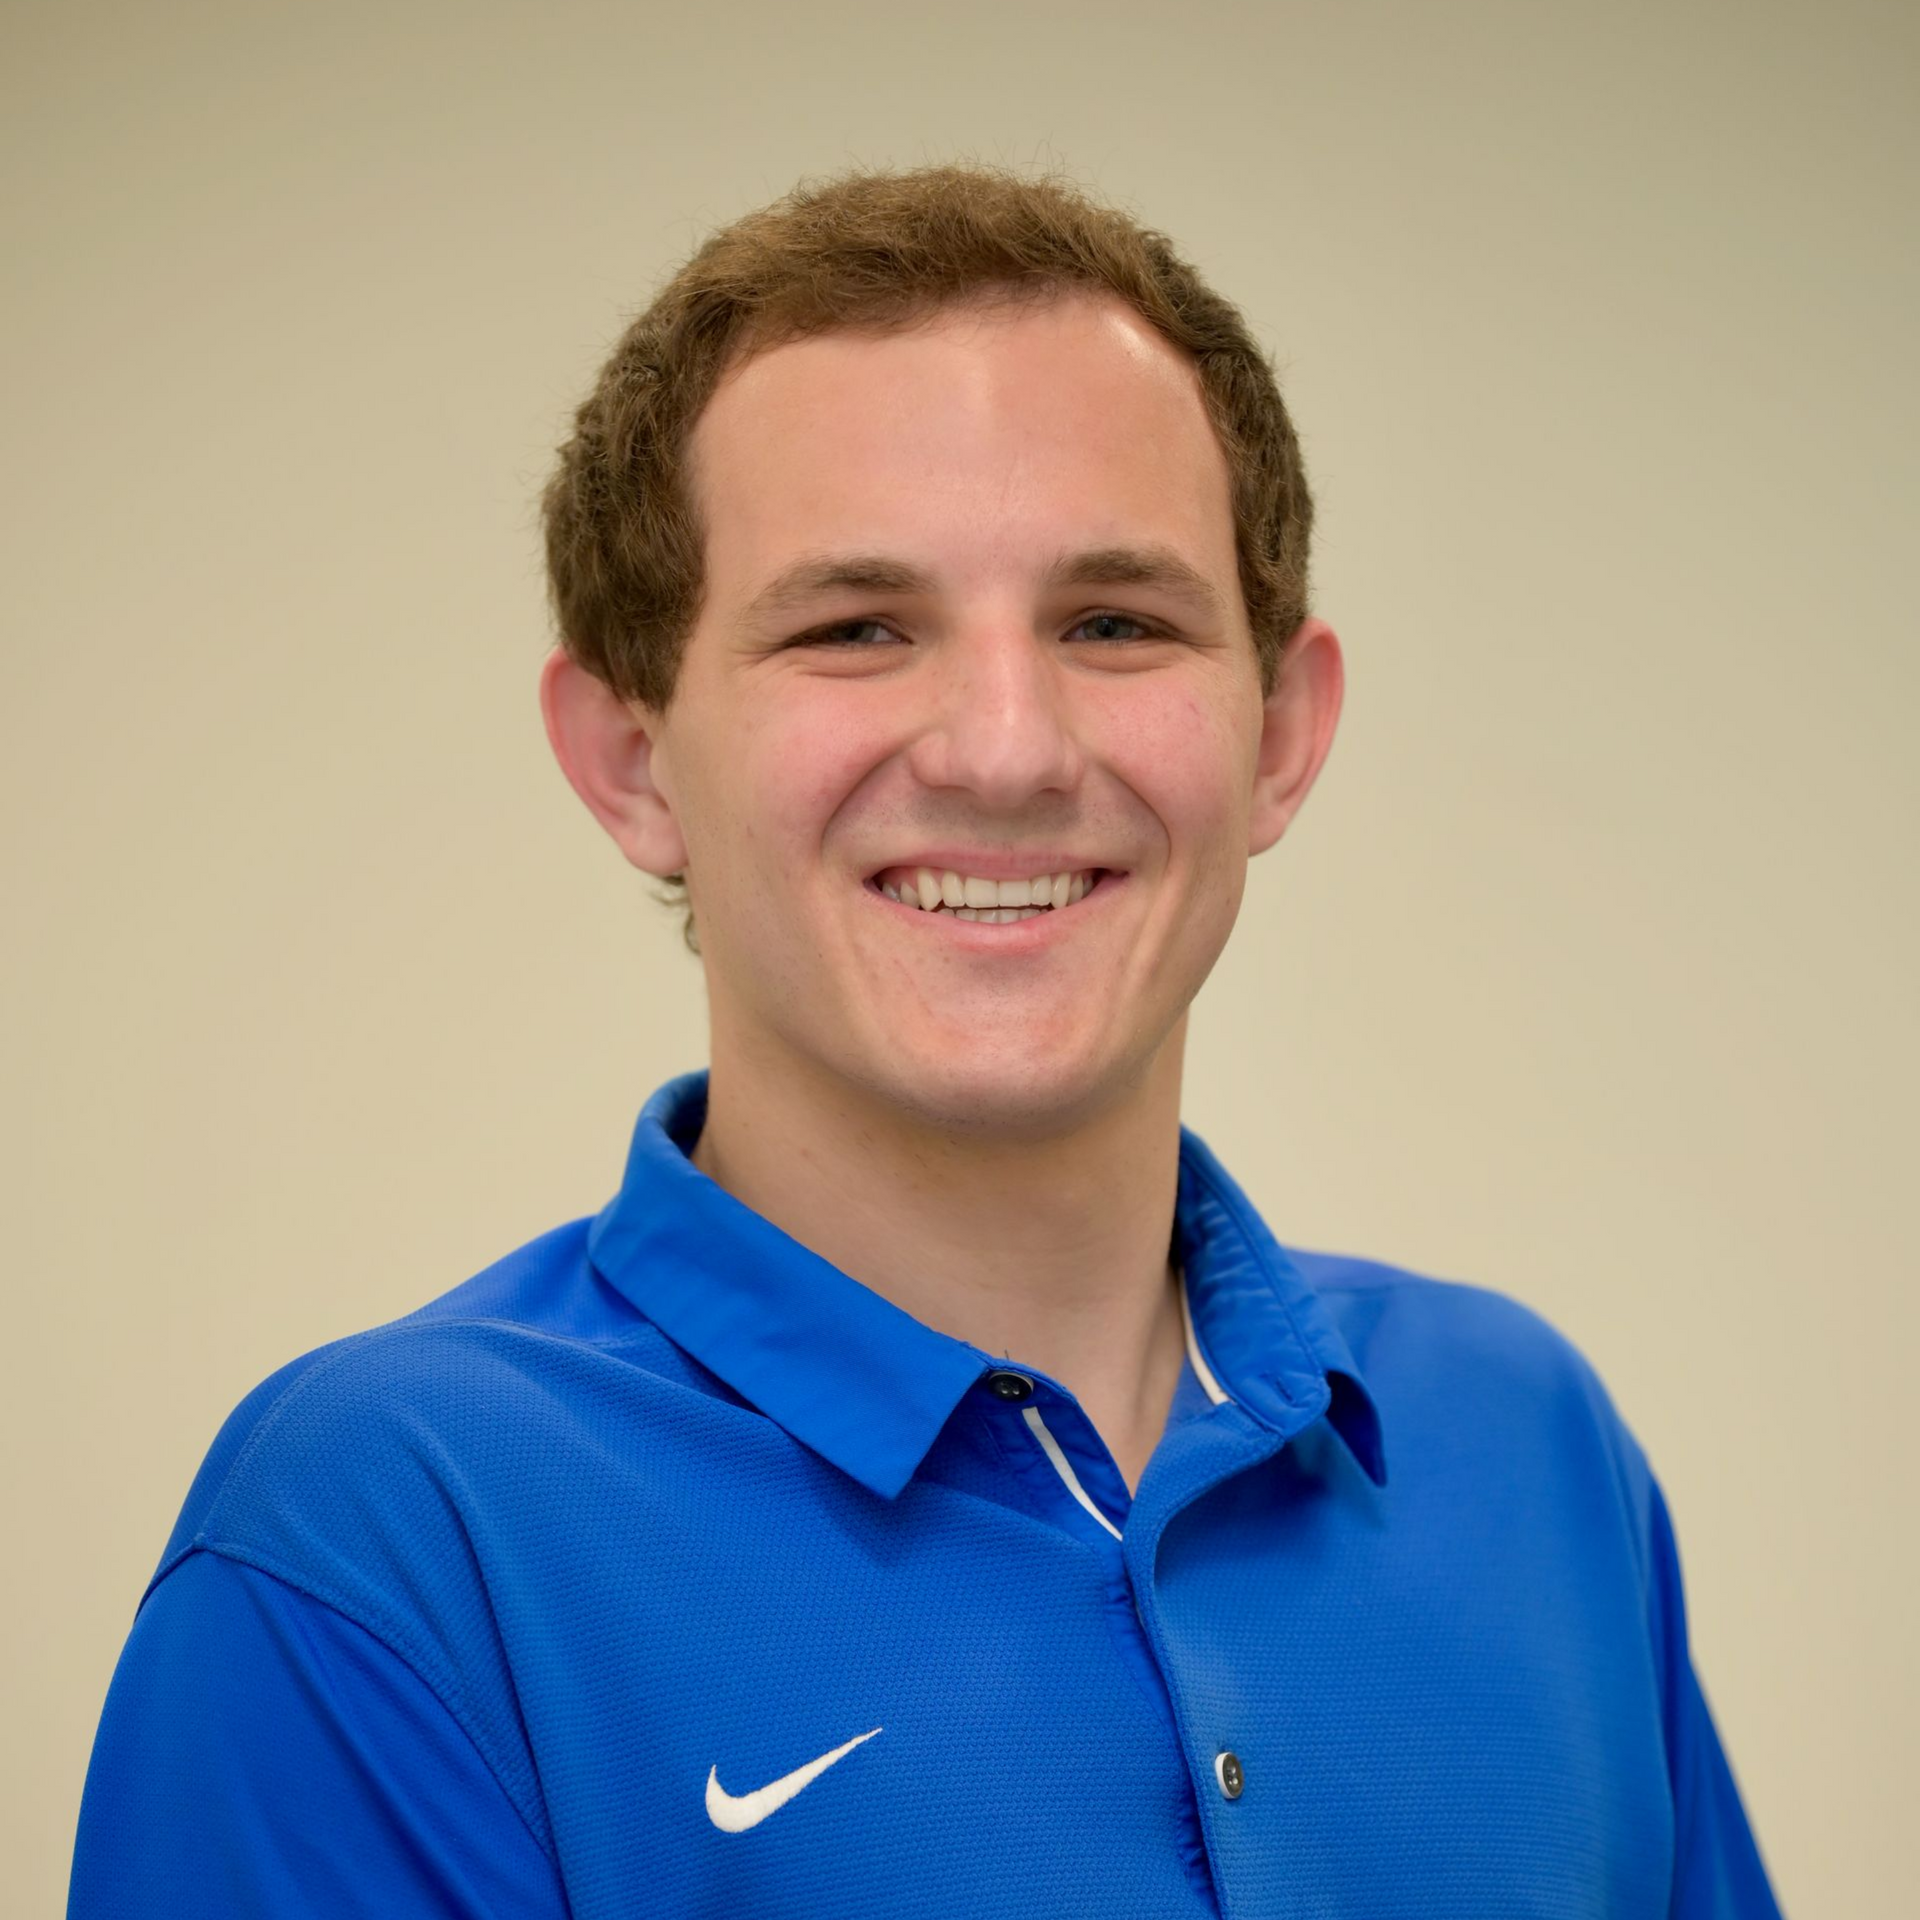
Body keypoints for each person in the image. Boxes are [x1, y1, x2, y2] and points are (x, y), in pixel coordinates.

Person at [69, 164, 1785, 1918]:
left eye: (1113, 622)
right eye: (857, 629)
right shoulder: (391, 1543)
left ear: (1280, 733)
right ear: (630, 759)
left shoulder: (1529, 1449)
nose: (1006, 748)